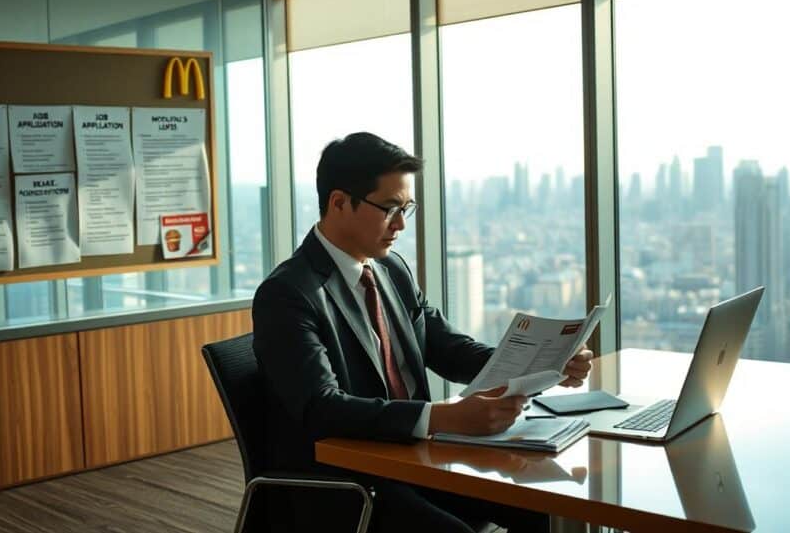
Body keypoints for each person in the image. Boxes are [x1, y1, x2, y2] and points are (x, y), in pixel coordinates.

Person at [252, 132, 593, 533]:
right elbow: (322, 408)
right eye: (389, 209)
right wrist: (441, 418)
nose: (400, 224)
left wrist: (543, 363)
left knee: (544, 506)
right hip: (350, 480)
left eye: (406, 209)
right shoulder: (288, 294)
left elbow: (446, 347)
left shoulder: (391, 269)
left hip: (417, 460)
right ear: (339, 203)